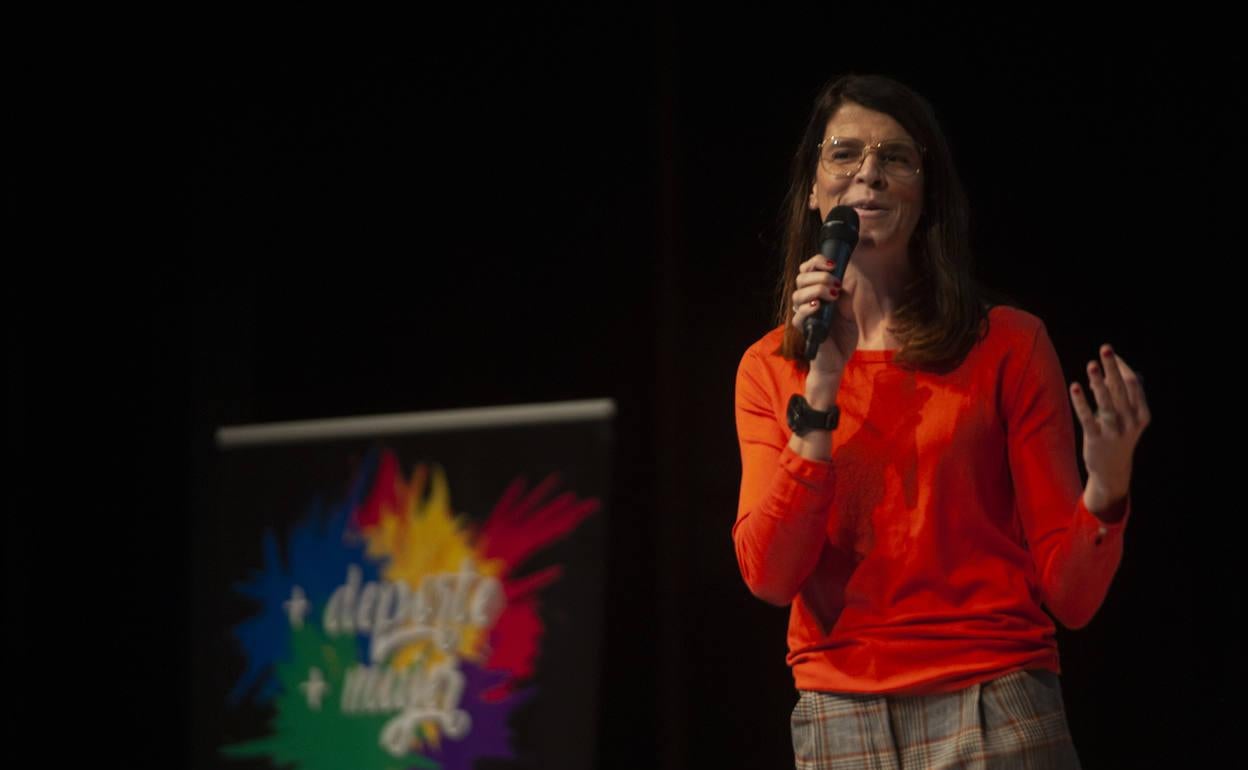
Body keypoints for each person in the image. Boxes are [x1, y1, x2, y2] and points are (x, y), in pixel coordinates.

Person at [731, 74, 1149, 769]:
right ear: (812, 187)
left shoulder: (1007, 345)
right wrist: (824, 382)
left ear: (925, 195)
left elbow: (1072, 599)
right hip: (840, 718)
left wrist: (1106, 488)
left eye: (895, 157)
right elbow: (772, 577)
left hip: (995, 705)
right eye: (844, 153)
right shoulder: (770, 368)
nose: (868, 172)